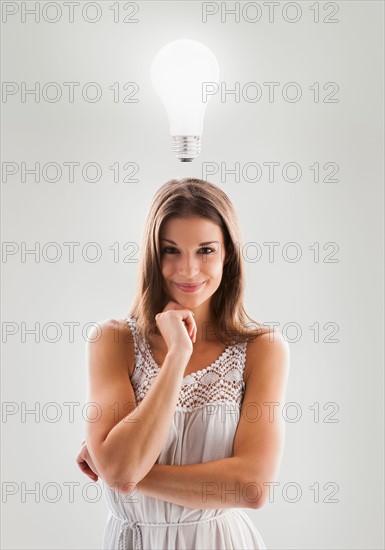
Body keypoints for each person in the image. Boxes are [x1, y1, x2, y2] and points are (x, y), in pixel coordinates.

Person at [76, 177, 290, 550]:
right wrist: (178, 355)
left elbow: (252, 487)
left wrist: (120, 469)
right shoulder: (113, 341)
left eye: (205, 250)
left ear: (228, 255)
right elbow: (121, 469)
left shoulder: (262, 349)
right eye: (171, 251)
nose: (188, 270)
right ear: (153, 256)